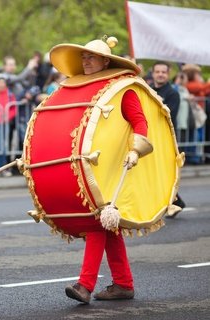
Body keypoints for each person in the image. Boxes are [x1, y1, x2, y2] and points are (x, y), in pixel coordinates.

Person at [47, 37, 155, 304]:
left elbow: (140, 122)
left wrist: (135, 150)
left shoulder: (121, 89)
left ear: (105, 61)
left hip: (113, 168)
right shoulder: (77, 88)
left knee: (97, 222)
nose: (86, 62)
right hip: (87, 170)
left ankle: (85, 285)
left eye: (91, 57)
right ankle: (123, 283)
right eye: (83, 57)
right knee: (107, 226)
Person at [150, 61, 186, 215]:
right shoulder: (149, 90)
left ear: (168, 74)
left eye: (163, 72)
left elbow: (169, 115)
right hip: (152, 136)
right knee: (154, 171)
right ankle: (174, 202)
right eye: (157, 71)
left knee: (165, 172)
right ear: (153, 74)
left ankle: (175, 202)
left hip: (167, 139)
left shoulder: (172, 93)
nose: (160, 74)